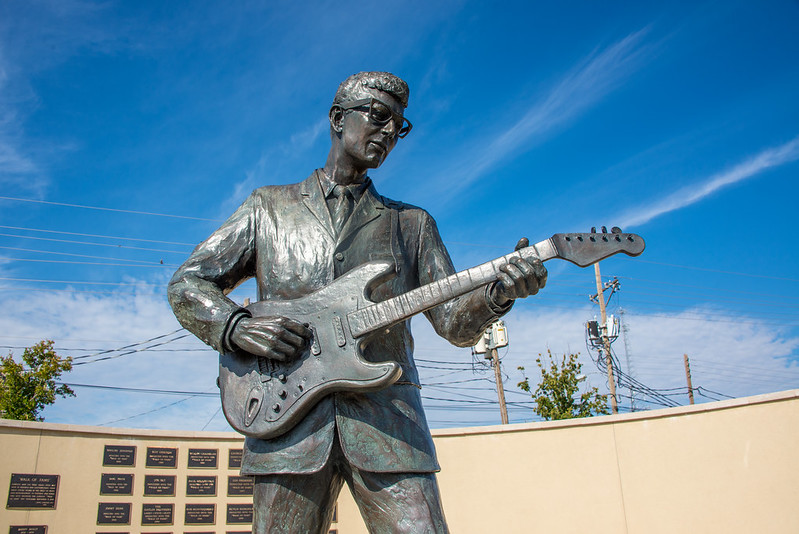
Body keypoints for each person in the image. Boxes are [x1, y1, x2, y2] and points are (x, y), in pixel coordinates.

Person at [168, 71, 547, 533]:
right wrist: (235, 326)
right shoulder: (268, 207)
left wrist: (498, 293)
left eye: (399, 126)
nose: (389, 133)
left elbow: (454, 325)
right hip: (285, 426)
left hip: (391, 427)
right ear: (336, 118)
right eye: (379, 116)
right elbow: (188, 283)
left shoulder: (412, 224)